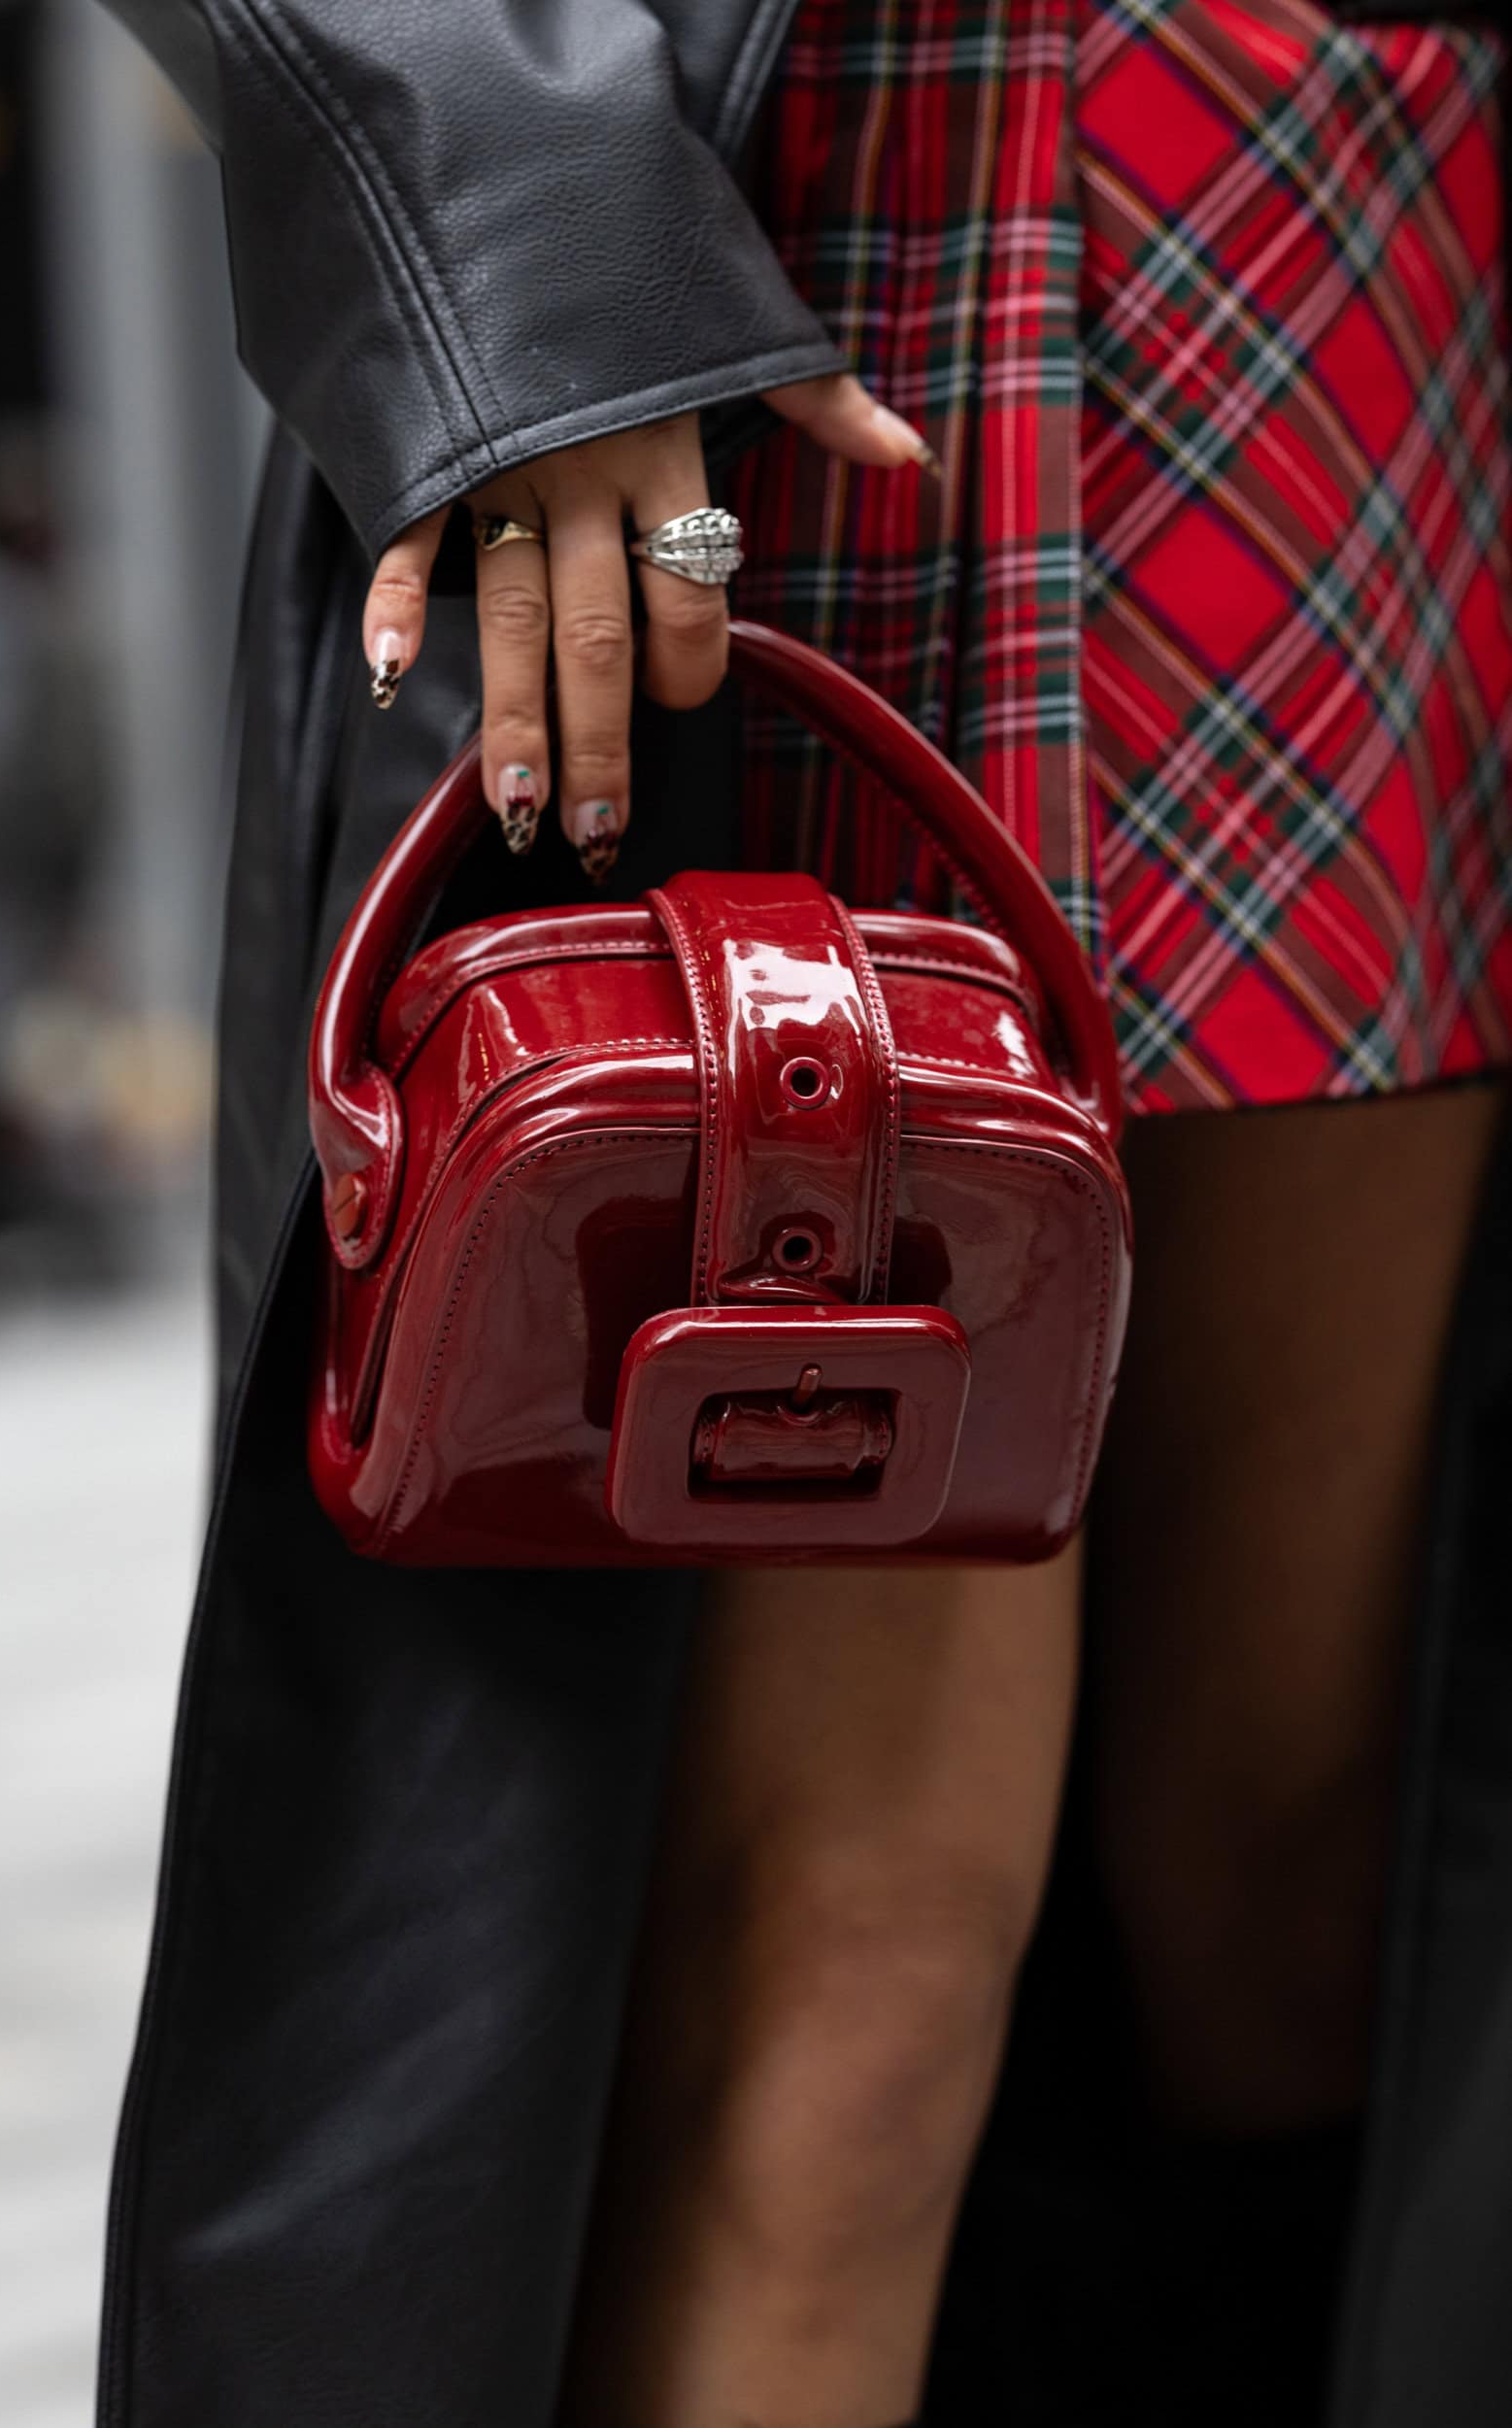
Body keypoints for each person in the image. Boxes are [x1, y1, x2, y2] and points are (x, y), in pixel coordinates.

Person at [94, 4, 1512, 2425]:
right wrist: (509, 238)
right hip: (801, 280)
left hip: (1347, 272)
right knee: (841, 2000)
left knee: (1312, 1944)